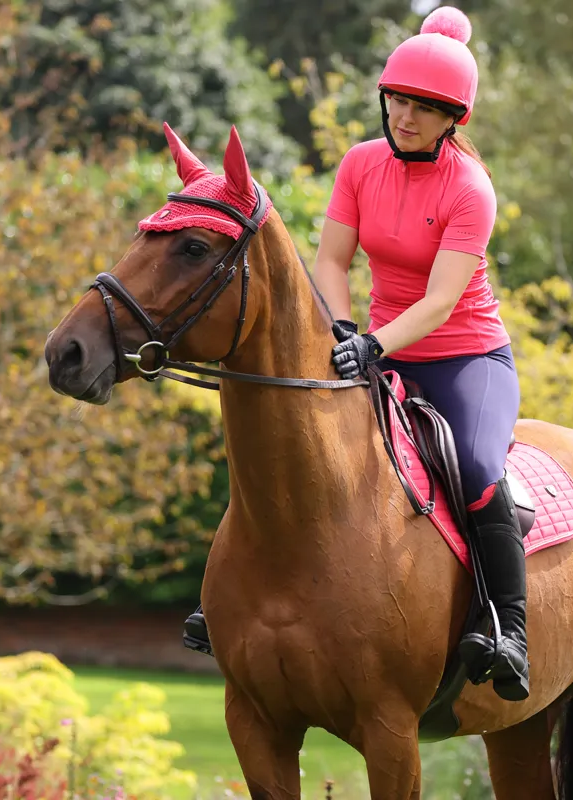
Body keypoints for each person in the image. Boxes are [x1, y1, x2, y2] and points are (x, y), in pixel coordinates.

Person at [185, 6, 529, 702]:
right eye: (398, 100)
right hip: (373, 347)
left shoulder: (471, 189)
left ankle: (508, 627)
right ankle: (228, 597)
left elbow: (438, 303)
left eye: (425, 108)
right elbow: (333, 259)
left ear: (453, 119)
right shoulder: (361, 164)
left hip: (464, 357)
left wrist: (372, 342)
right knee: (291, 450)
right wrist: (343, 330)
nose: (405, 117)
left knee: (479, 471)